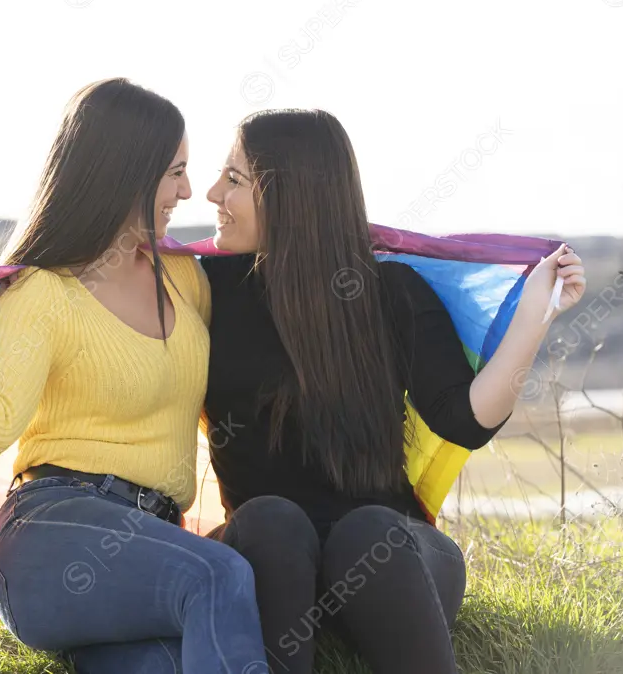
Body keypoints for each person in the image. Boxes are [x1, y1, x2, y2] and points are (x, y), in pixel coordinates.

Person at [0, 78, 269, 674]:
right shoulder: (42, 292)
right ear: (125, 171)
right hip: (52, 531)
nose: (190, 191)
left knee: (172, 662)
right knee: (221, 575)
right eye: (174, 172)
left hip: (149, 544)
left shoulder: (183, 277)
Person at [199, 109, 586, 674]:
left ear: (291, 196)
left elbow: (465, 420)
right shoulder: (209, 292)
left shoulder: (389, 291)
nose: (211, 194)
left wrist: (534, 318)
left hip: (392, 559)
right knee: (269, 520)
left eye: (234, 180)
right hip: (273, 564)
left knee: (367, 531)